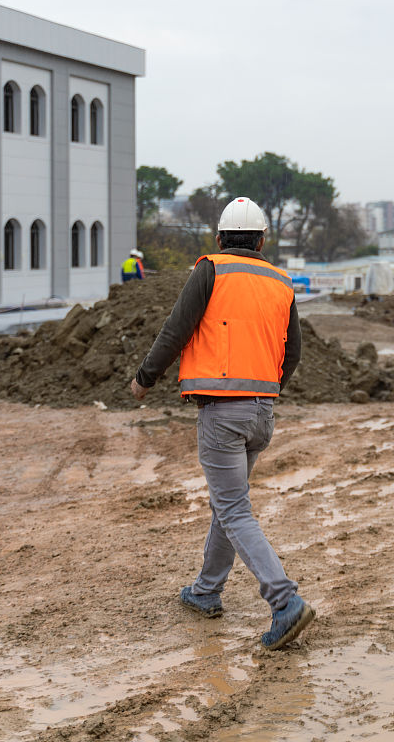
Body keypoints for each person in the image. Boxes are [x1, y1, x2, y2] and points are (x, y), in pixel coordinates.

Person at [129, 197, 315, 651]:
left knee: (233, 509)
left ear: (219, 238)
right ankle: (206, 591)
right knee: (227, 504)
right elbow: (293, 354)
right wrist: (266, 392)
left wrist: (145, 378)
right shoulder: (280, 281)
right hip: (261, 413)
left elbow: (177, 328)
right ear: (262, 240)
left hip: (222, 414)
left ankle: (284, 599)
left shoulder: (211, 270)